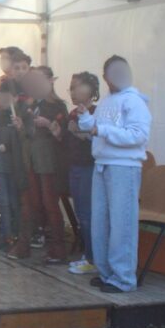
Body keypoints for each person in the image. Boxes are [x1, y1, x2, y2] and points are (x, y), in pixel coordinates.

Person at [77, 55, 151, 293]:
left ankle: (123, 278)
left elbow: (139, 135)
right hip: (102, 163)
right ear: (106, 77)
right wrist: (85, 118)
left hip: (124, 166)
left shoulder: (134, 101)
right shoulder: (108, 101)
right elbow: (95, 129)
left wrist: (101, 130)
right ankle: (107, 273)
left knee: (122, 223)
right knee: (101, 221)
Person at [7, 66, 68, 263]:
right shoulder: (32, 105)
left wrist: (48, 125)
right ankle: (24, 245)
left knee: (50, 204)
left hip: (49, 162)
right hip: (31, 159)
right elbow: (27, 135)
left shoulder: (57, 105)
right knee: (29, 203)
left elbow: (63, 135)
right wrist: (20, 127)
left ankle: (58, 248)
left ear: (51, 81)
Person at [64, 71, 99, 275]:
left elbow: (97, 139)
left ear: (90, 90)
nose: (72, 92)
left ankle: (93, 258)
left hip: (89, 167)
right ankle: (87, 255)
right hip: (74, 166)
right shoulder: (72, 113)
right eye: (71, 88)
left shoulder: (97, 112)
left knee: (88, 214)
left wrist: (78, 132)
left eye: (76, 87)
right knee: (80, 213)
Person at [0, 81, 26, 251]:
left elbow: (24, 140)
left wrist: (10, 145)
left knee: (14, 201)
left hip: (16, 166)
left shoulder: (19, 117)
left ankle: (18, 234)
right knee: (3, 201)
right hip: (0, 165)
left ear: (16, 98)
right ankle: (7, 235)